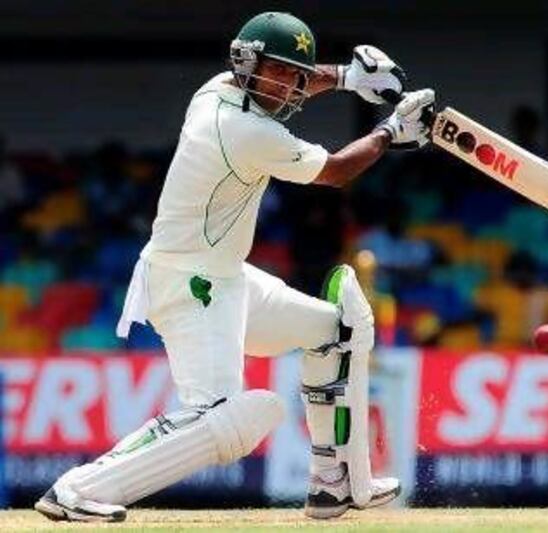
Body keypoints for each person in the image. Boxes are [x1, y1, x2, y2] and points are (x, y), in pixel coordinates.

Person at [34, 12, 434, 523]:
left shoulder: (219, 87)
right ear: (250, 67)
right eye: (282, 74)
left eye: (297, 75)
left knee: (338, 329)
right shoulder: (241, 128)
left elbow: (286, 79)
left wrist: (347, 77)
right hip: (190, 286)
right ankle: (77, 488)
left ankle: (335, 482)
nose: (290, 87)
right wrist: (390, 131)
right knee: (225, 418)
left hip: (225, 279)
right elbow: (334, 172)